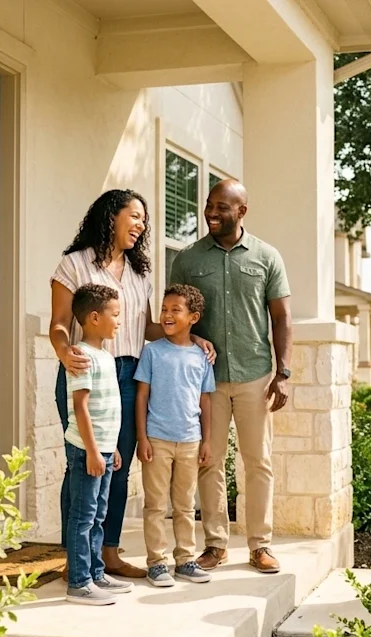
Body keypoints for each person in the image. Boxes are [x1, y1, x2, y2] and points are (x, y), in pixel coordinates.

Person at [50, 189, 215, 580]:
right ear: (111, 216)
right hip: (86, 371)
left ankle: (107, 553)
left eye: (144, 219)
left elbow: (146, 329)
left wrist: (193, 339)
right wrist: (62, 351)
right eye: (135, 216)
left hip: (130, 373)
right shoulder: (73, 265)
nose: (142, 225)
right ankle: (74, 557)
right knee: (84, 464)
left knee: (117, 469)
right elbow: (58, 323)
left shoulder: (140, 272)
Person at [168, 178, 292, 575]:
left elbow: (281, 317)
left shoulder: (267, 256)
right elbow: (176, 315)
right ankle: (216, 544)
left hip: (255, 372)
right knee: (209, 460)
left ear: (242, 211)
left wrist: (283, 372)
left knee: (258, 461)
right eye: (209, 205)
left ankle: (260, 545)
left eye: (222, 207)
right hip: (206, 380)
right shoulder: (187, 259)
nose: (212, 213)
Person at [135, 284, 216, 587]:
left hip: (190, 440)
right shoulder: (152, 352)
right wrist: (142, 438)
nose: (167, 315)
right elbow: (142, 396)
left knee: (184, 505)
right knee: (155, 505)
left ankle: (185, 560)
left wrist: (206, 440)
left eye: (175, 310)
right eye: (164, 310)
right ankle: (156, 562)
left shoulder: (201, 357)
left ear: (193, 317)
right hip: (157, 439)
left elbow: (205, 400)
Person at [62, 284, 133, 605]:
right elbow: (81, 407)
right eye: (115, 315)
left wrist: (112, 448)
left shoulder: (105, 355)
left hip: (103, 448)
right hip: (86, 450)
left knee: (98, 513)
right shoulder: (81, 357)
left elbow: (108, 410)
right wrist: (92, 450)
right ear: (93, 318)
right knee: (83, 515)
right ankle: (78, 582)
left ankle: (94, 571)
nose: (119, 321)